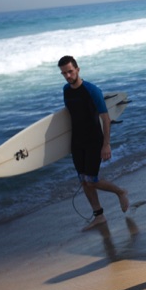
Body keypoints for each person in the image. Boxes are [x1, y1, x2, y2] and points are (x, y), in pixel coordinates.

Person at [58, 55, 129, 231]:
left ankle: (120, 192)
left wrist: (106, 144)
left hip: (93, 141)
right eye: (64, 73)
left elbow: (105, 119)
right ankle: (99, 216)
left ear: (78, 70)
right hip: (77, 142)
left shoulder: (92, 90)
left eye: (70, 71)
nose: (67, 76)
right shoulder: (66, 90)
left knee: (92, 181)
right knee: (84, 181)